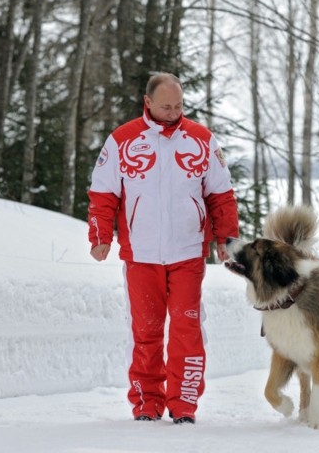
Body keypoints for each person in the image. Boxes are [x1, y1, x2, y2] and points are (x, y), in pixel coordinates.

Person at [87, 72, 239, 425]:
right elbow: (103, 193)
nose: (173, 112)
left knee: (187, 329)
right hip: (141, 254)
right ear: (148, 103)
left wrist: (226, 239)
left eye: (179, 106)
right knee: (146, 330)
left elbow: (221, 194)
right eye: (166, 106)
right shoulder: (122, 140)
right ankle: (146, 402)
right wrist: (100, 236)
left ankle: (184, 403)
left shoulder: (201, 140)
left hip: (187, 252)